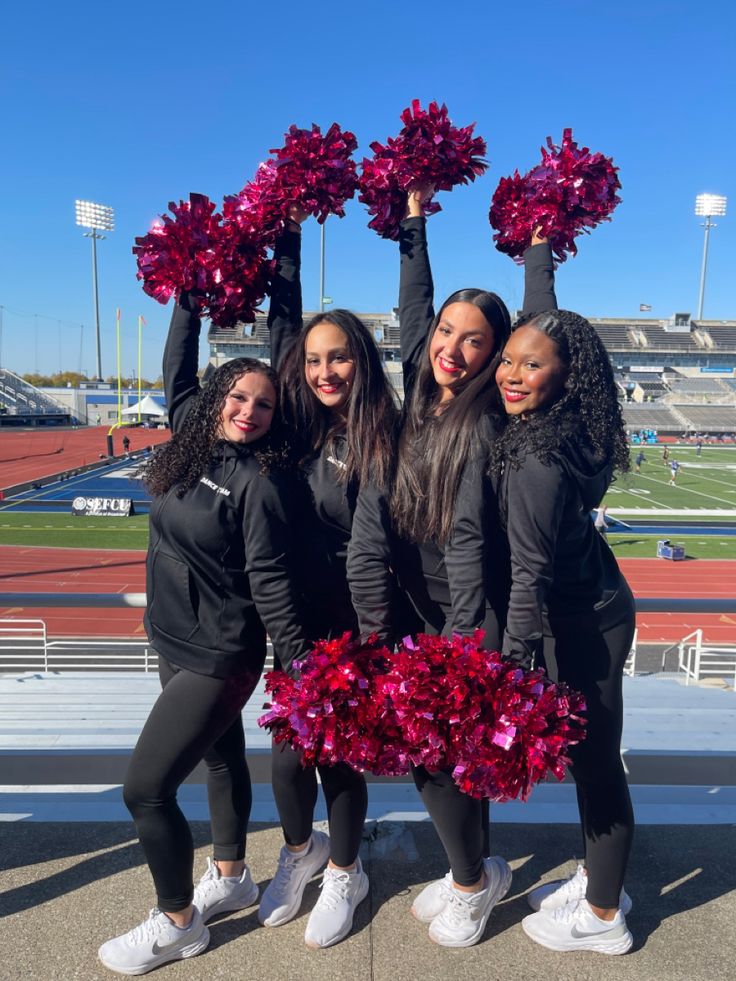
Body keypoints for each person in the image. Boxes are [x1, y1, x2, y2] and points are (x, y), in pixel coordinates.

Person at [347, 187, 557, 948]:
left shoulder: (487, 418)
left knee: (442, 759)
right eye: (447, 331)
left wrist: (465, 650)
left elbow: (469, 542)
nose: (452, 347)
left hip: (471, 614)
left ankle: (472, 880)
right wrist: (412, 218)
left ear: (495, 353)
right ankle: (479, 864)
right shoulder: (417, 399)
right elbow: (414, 303)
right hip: (424, 608)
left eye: (476, 340)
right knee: (448, 760)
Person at [98, 292, 308, 976]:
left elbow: (272, 581)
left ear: (276, 416)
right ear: (218, 396)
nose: (248, 411)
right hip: (173, 635)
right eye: (239, 397)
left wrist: (299, 666)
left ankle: (180, 920)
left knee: (145, 789)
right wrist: (188, 293)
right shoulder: (191, 430)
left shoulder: (258, 484)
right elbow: (176, 367)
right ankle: (233, 874)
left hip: (221, 654)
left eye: (264, 404)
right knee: (220, 762)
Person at [257, 208, 403, 949]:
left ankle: (346, 870)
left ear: (362, 359)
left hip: (354, 623)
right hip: (293, 620)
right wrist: (285, 229)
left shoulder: (379, 433)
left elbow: (371, 548)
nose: (323, 371)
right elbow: (279, 327)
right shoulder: (295, 423)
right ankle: (300, 848)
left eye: (338, 357)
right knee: (286, 762)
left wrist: (372, 645)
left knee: (340, 756)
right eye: (313, 359)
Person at [490, 309, 635, 955]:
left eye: (532, 364)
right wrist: (542, 245)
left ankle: (606, 915)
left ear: (566, 373)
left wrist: (513, 667)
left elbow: (529, 576)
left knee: (598, 764)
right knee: (591, 759)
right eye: (509, 359)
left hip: (579, 622)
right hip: (598, 606)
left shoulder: (537, 459)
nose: (512, 374)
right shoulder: (574, 425)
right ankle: (597, 876)